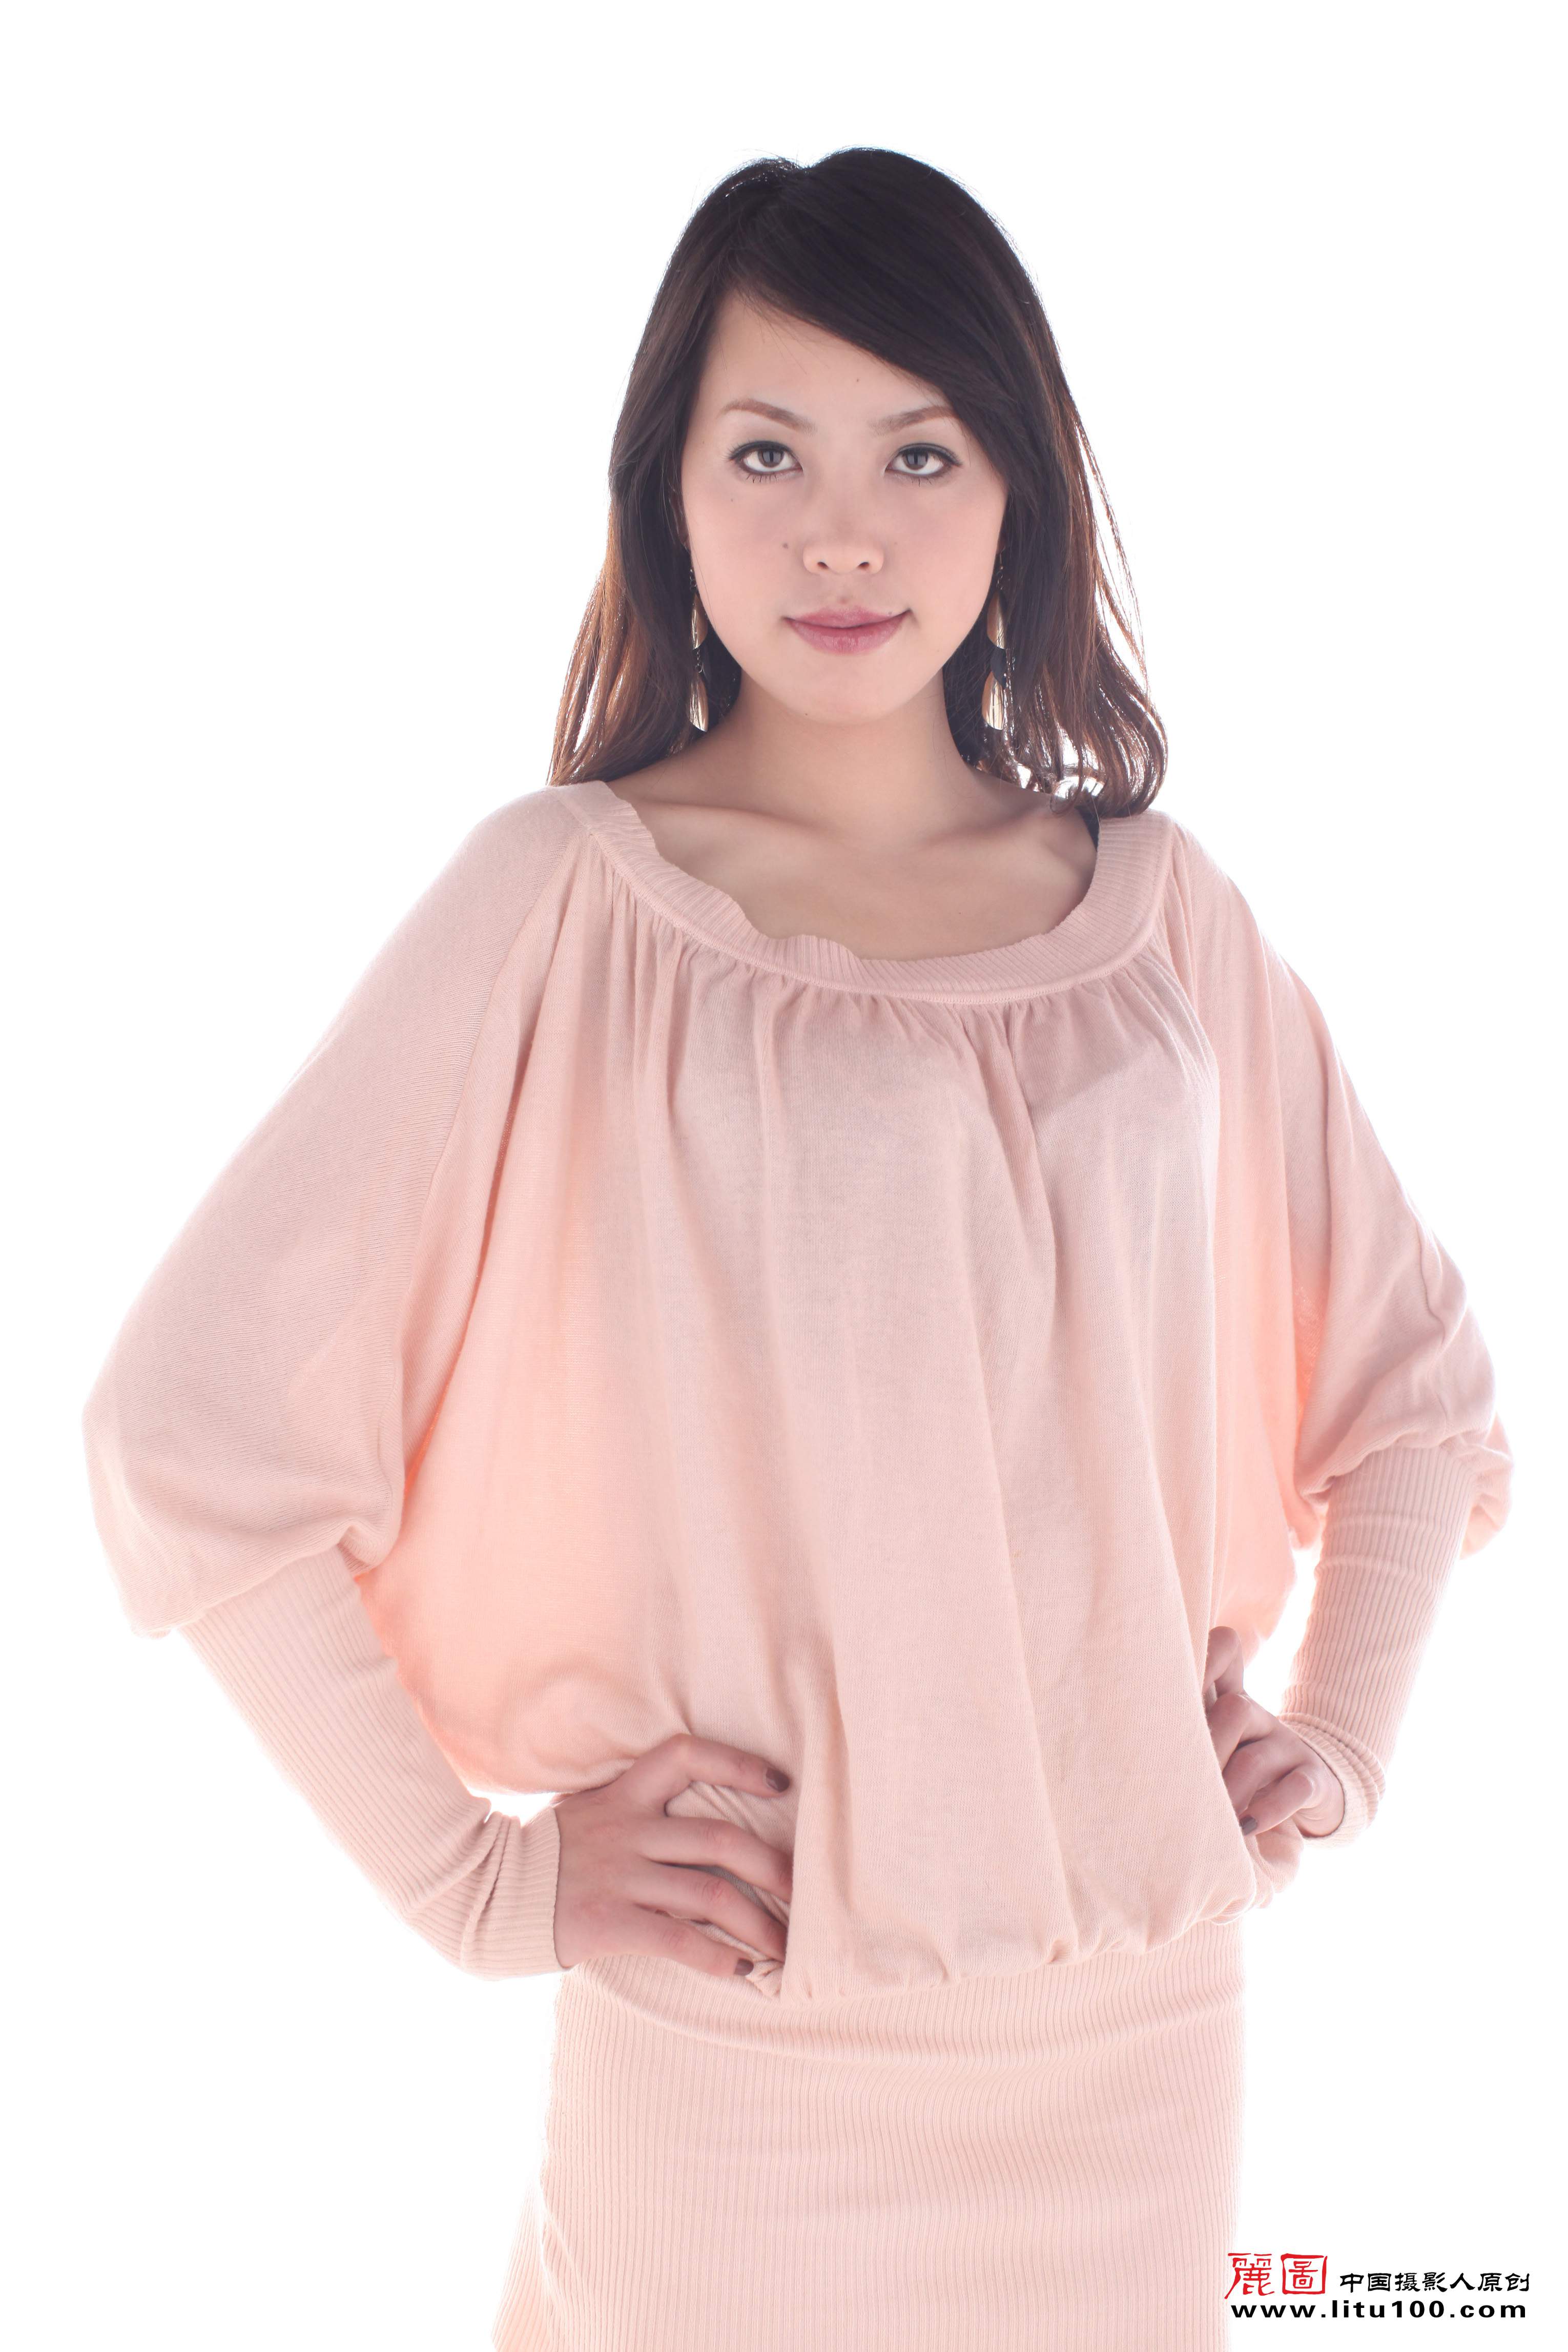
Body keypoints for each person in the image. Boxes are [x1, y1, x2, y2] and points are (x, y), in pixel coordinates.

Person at [80, 148, 1513, 2352]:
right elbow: (185, 1426)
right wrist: (477, 1884)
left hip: (1143, 2053)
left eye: (918, 454)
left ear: (1019, 488)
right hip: (743, 2063)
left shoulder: (1163, 922)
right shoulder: (567, 898)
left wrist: (1339, 1738)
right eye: (768, 453)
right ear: (668, 492)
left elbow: (1412, 1392)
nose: (843, 533)